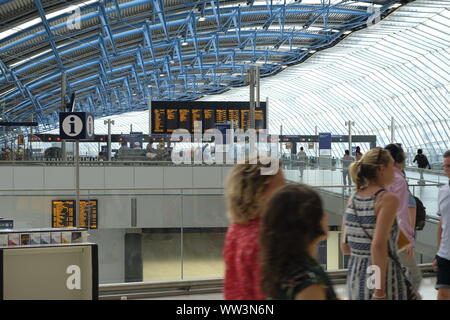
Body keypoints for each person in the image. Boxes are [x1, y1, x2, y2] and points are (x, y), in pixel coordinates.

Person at [341, 147, 408, 300]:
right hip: (380, 274)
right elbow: (378, 246)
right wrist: (379, 292)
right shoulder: (387, 199)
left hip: (355, 275)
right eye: (392, 165)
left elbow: (345, 246)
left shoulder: (353, 198)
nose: (395, 169)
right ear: (381, 169)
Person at [260, 184, 337, 300]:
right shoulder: (308, 285)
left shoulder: (284, 267)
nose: (326, 216)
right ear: (309, 223)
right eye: (320, 212)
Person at [223, 158, 285, 300]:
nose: (286, 193)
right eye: (281, 187)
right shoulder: (265, 237)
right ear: (260, 191)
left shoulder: (235, 229)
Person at [384, 143, 422, 297]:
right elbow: (401, 213)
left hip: (383, 236)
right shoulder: (398, 179)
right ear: (399, 159)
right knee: (414, 277)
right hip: (397, 238)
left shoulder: (382, 177)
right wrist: (408, 241)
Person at [433, 150, 450, 300]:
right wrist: (438, 253)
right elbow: (441, 223)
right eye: (445, 166)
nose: (447, 170)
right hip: (445, 255)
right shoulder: (443, 191)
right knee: (443, 294)